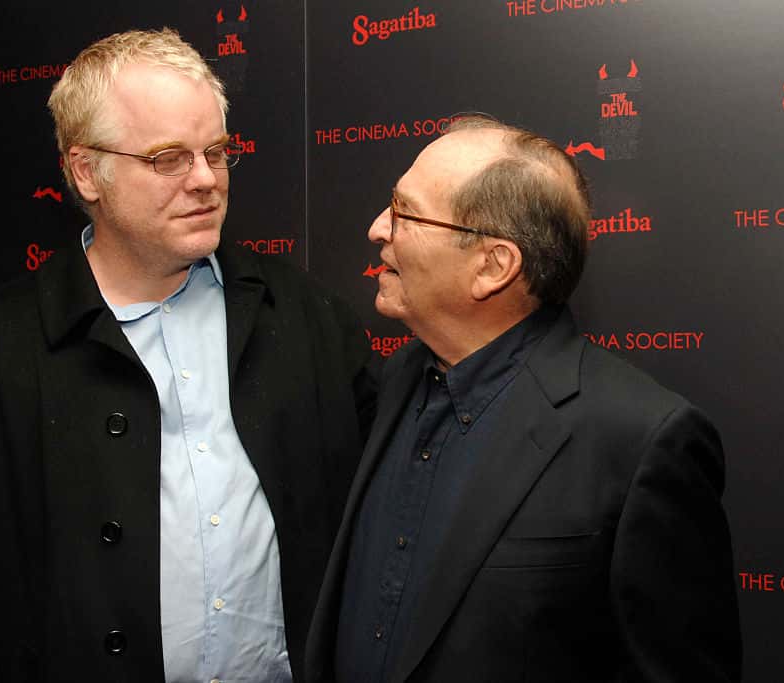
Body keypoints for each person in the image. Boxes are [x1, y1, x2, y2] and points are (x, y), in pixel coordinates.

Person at [0, 28, 375, 683]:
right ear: (85, 172)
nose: (206, 180)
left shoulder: (301, 316)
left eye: (216, 151)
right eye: (168, 158)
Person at [305, 115, 741, 682]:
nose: (377, 229)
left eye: (403, 211)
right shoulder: (395, 381)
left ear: (493, 266)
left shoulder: (640, 441)